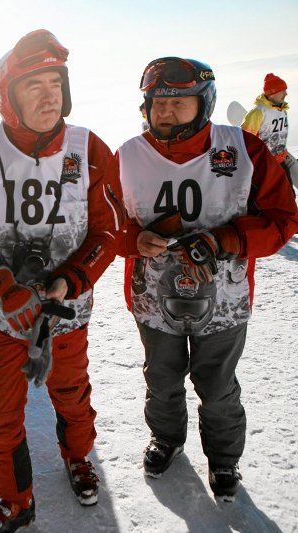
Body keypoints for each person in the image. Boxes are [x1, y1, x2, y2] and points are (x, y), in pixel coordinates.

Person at [0, 29, 122, 531]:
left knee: (72, 394)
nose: (49, 95)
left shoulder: (91, 149)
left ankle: (79, 458)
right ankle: (17, 502)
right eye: (34, 85)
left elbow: (110, 229)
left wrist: (75, 277)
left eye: (55, 82)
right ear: (7, 98)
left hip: (67, 311)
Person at [116, 57, 298, 502]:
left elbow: (283, 219)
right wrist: (133, 240)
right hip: (153, 301)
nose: (166, 111)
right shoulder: (126, 156)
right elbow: (105, 224)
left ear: (204, 103)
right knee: (161, 379)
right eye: (158, 102)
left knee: (217, 386)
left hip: (225, 303)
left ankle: (223, 458)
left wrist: (229, 238)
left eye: (179, 102)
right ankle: (167, 439)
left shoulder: (244, 150)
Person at [241, 73, 296, 190]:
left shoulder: (282, 110)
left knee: (289, 195)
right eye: (282, 91)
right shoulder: (259, 112)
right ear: (272, 92)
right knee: (275, 197)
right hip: (266, 165)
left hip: (280, 161)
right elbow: (245, 140)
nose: (286, 94)